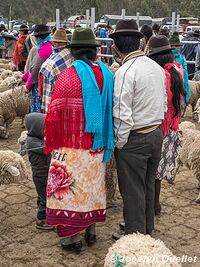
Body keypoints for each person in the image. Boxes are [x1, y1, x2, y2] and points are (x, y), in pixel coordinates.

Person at [44, 28, 114, 254]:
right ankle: (91, 231)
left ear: (73, 51)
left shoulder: (68, 76)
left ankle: (71, 239)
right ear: (94, 51)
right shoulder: (106, 74)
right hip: (97, 146)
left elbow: (54, 112)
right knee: (91, 189)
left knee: (68, 193)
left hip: (71, 147)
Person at [109, 19, 166, 239]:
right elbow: (162, 102)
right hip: (155, 133)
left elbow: (122, 115)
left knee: (132, 189)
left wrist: (120, 143)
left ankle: (135, 234)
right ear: (139, 43)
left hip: (136, 138)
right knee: (148, 185)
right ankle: (146, 227)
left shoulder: (125, 71)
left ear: (116, 46)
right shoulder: (155, 67)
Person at [147, 35, 186, 215]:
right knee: (158, 173)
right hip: (172, 128)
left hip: (158, 128)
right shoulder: (176, 71)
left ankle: (152, 205)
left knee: (151, 171)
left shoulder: (160, 75)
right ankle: (156, 204)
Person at [25, 113, 54, 230]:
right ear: (35, 129)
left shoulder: (37, 138)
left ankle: (41, 209)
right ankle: (41, 219)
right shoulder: (32, 142)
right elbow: (47, 149)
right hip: (40, 175)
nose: (47, 131)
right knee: (44, 197)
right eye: (44, 128)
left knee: (42, 194)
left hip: (44, 173)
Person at [20, 24, 53, 113]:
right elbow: (33, 65)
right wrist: (23, 78)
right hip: (43, 82)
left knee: (37, 111)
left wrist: (28, 86)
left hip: (40, 84)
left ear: (38, 38)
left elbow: (35, 68)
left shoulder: (45, 49)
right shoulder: (46, 46)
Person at [39, 29, 72, 113]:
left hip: (60, 92)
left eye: (60, 42)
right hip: (49, 89)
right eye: (55, 42)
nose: (57, 44)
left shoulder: (67, 55)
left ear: (65, 43)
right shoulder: (53, 54)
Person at [169, 34, 190, 104]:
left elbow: (185, 72)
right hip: (178, 83)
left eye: (177, 46)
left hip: (173, 83)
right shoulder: (181, 57)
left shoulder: (167, 56)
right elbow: (185, 73)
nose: (176, 48)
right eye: (174, 46)